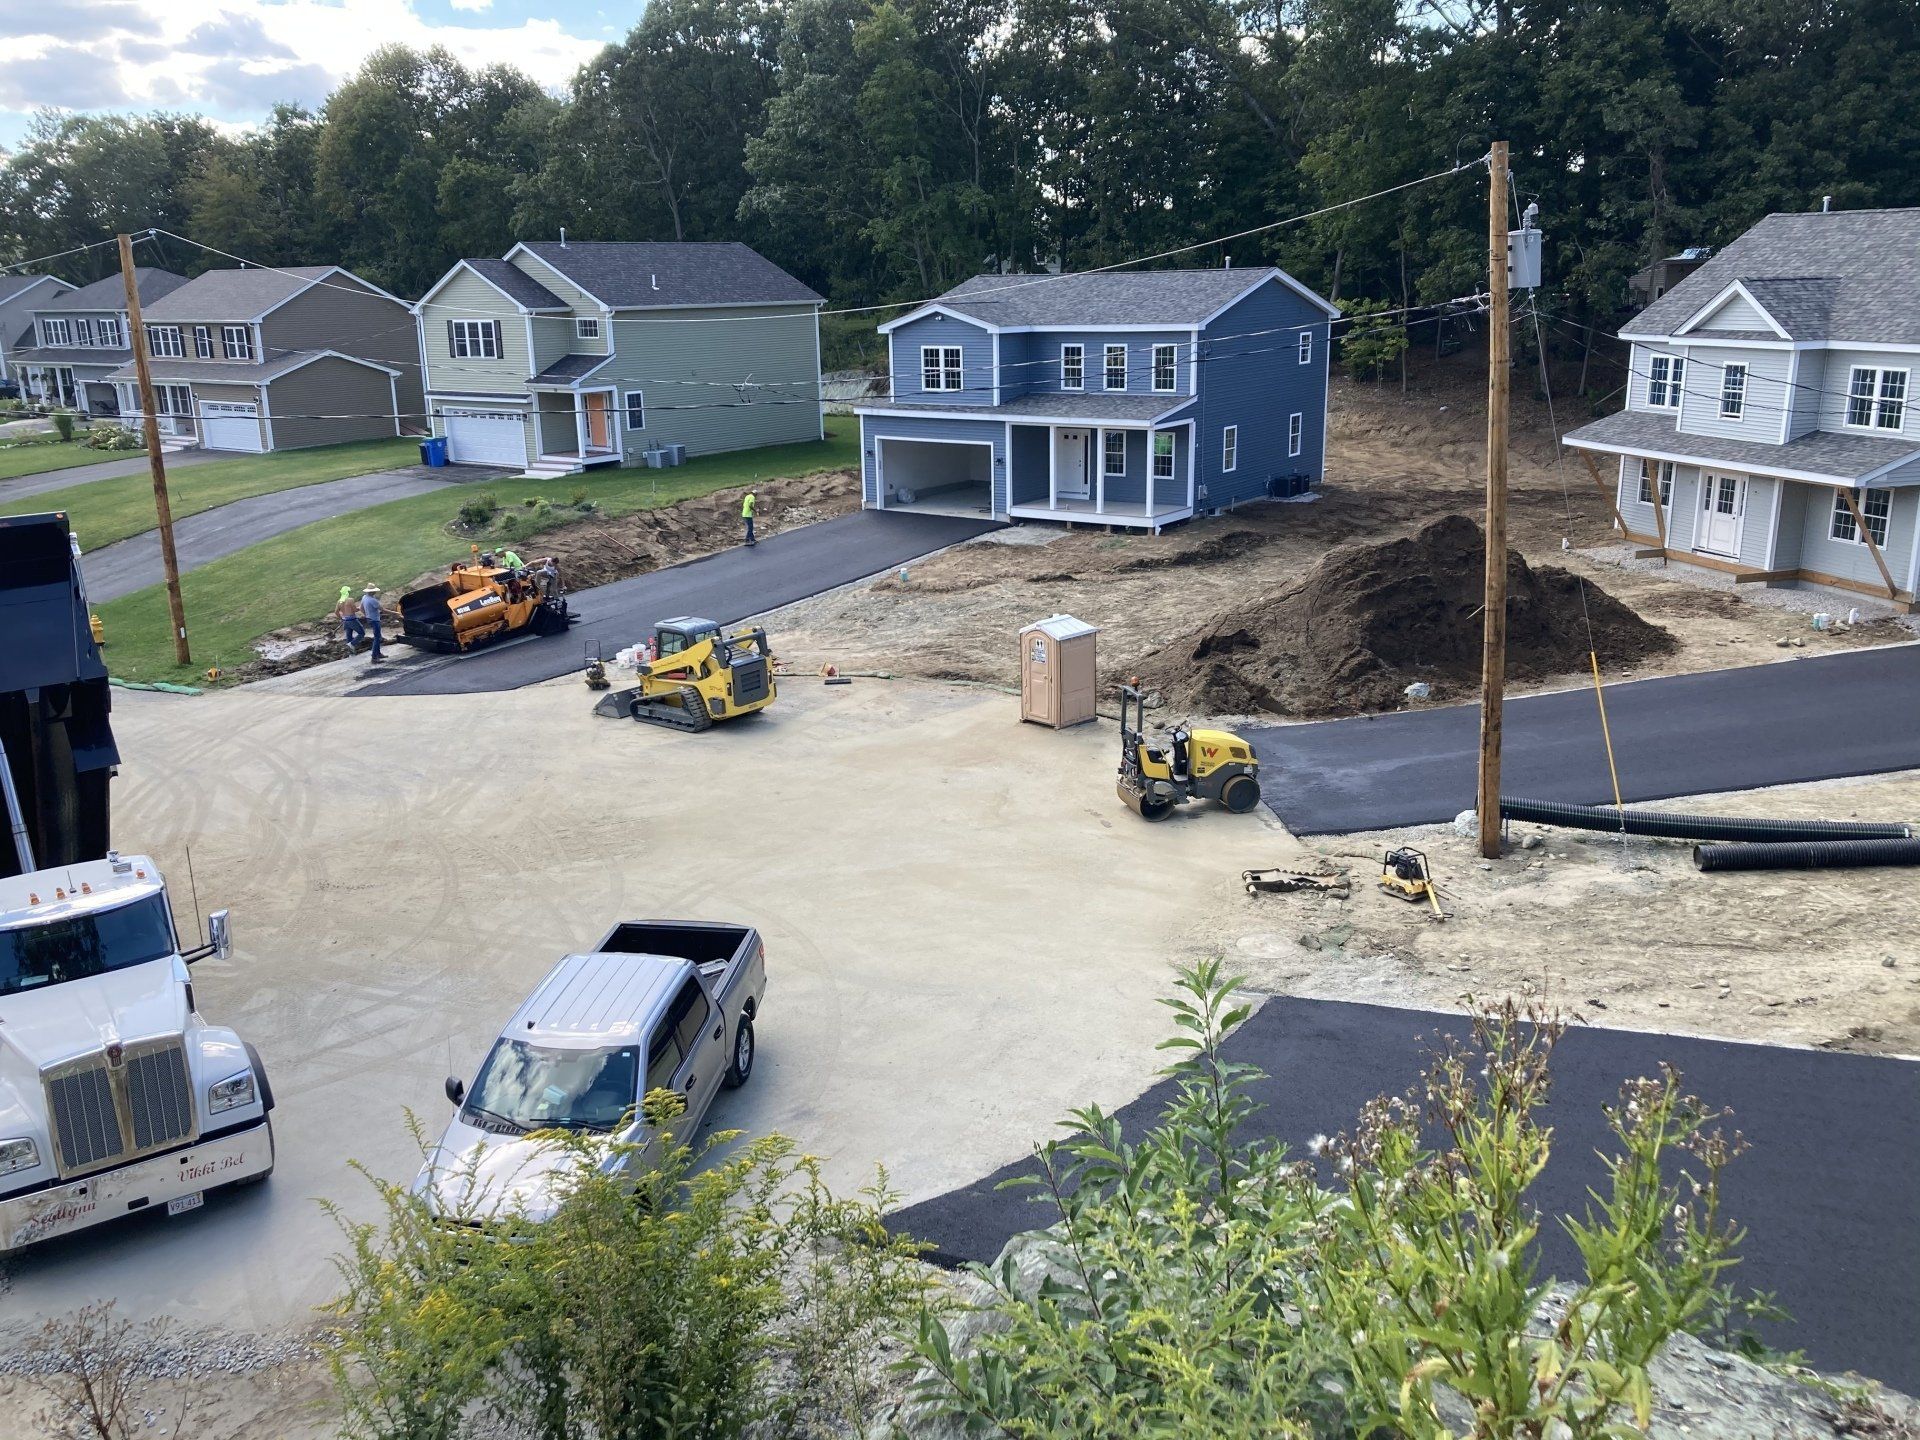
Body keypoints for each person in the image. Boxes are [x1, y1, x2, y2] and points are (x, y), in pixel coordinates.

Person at [360, 583, 386, 663]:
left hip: (370, 619)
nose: (375, 592)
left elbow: (361, 608)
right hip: (375, 620)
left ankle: (378, 653)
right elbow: (383, 610)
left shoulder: (364, 597)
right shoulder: (373, 600)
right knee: (377, 638)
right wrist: (395, 613)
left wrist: (367, 615)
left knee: (377, 637)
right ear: (372, 592)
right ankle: (374, 657)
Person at [336, 585, 365, 650]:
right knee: (362, 633)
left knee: (349, 636)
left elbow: (336, 612)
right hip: (352, 620)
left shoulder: (339, 602)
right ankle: (352, 644)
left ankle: (351, 652)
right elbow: (355, 610)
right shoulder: (350, 600)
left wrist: (341, 618)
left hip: (345, 621)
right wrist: (360, 607)